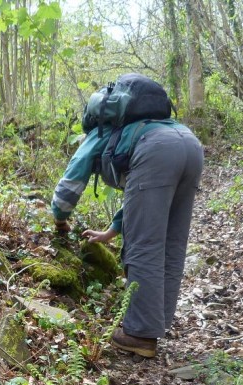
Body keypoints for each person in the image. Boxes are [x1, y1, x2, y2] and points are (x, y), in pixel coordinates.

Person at [51, 87, 204, 359]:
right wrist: (112, 231)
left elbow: (71, 181)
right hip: (190, 145)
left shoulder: (99, 136)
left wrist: (59, 219)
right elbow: (142, 199)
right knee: (172, 241)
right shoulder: (148, 126)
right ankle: (157, 322)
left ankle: (140, 335)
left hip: (157, 152)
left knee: (144, 245)